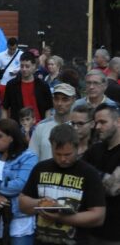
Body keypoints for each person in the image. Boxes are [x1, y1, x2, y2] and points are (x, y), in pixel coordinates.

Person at [19, 124, 106, 245]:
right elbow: (22, 203)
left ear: (77, 148)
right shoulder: (41, 168)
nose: (63, 159)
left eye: (67, 154)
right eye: (58, 154)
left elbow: (98, 216)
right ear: (51, 146)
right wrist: (41, 203)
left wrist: (62, 218)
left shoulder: (89, 173)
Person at [81, 103, 120, 244]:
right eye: (96, 122)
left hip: (115, 235)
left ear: (118, 121)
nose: (97, 127)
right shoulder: (94, 150)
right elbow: (77, 178)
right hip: (89, 231)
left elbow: (114, 188)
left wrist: (89, 176)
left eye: (103, 122)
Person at [29, 83, 76, 161]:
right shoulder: (41, 127)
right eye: (56, 99)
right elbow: (31, 157)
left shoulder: (78, 126)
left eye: (65, 99)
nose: (59, 103)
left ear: (73, 100)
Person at [2, 51, 53, 123]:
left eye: (27, 66)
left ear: (34, 66)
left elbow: (48, 109)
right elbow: (5, 107)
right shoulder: (11, 85)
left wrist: (46, 126)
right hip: (18, 127)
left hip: (38, 126)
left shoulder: (43, 85)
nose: (24, 69)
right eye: (22, 66)